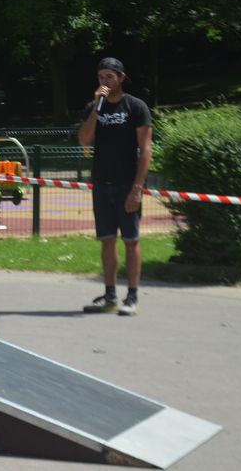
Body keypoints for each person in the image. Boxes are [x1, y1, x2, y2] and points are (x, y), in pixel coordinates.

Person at [78, 57, 153, 317]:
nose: (105, 81)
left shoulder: (136, 107)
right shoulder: (93, 107)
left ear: (121, 77)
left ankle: (132, 296)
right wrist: (95, 111)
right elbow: (84, 140)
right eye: (101, 77)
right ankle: (109, 296)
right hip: (101, 184)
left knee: (131, 241)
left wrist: (137, 188)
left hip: (127, 185)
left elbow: (146, 150)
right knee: (107, 241)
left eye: (110, 76)